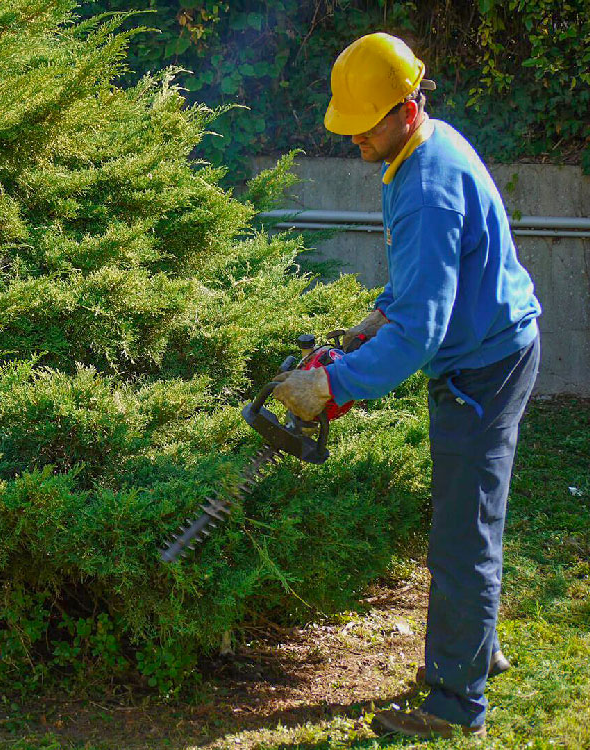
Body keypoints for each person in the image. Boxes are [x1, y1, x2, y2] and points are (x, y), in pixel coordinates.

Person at [272, 32, 542, 739]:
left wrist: (333, 387)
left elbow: (423, 335)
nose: (354, 136)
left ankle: (456, 704)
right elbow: (426, 285)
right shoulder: (427, 148)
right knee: (465, 515)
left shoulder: (424, 187)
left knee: (463, 534)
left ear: (404, 108)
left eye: (364, 123)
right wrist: (372, 322)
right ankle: (473, 650)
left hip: (484, 362)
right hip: (487, 341)